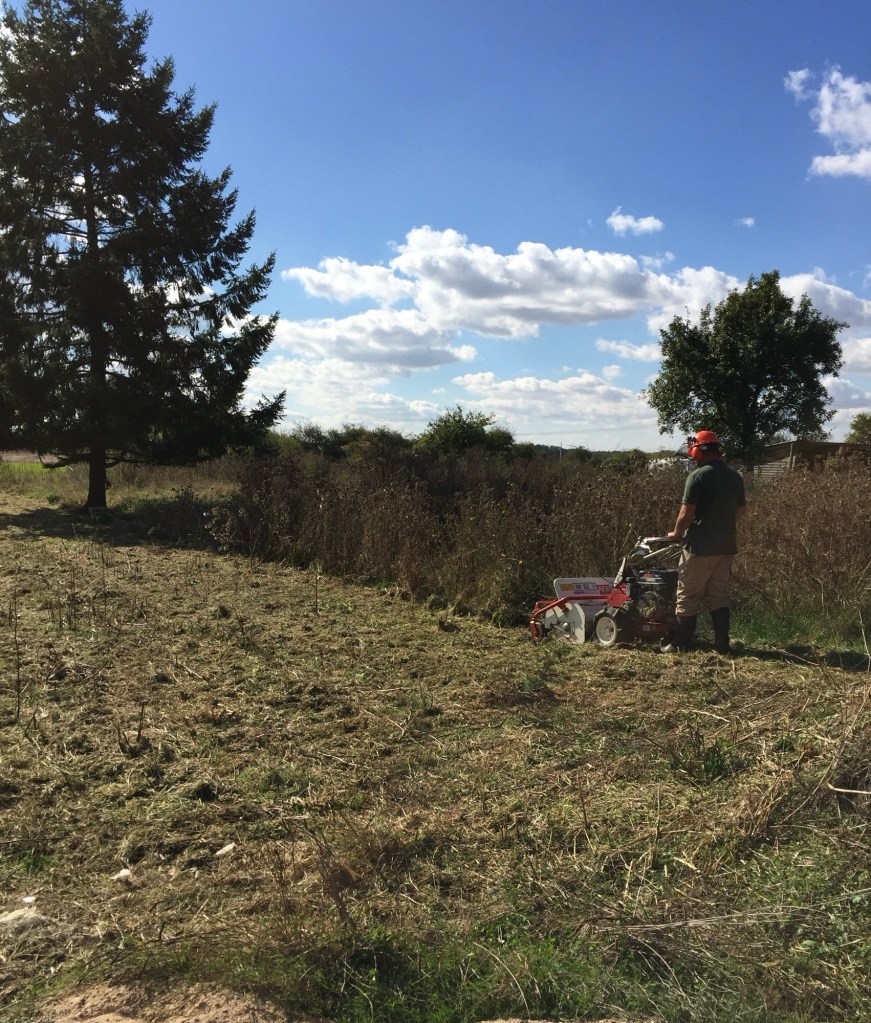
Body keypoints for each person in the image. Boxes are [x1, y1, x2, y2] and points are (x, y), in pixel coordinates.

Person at [662, 430, 746, 654]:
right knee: (718, 595)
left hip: (699, 547)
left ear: (700, 449)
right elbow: (741, 510)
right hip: (726, 546)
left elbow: (686, 513)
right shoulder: (734, 476)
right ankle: (722, 645)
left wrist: (677, 533)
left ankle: (681, 643)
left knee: (688, 594)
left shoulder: (697, 476)